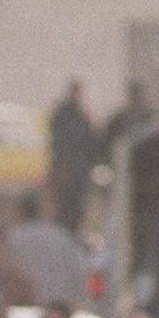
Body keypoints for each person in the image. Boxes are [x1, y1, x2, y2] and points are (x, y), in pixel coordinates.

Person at [46, 80, 103, 232]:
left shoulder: (81, 114)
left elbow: (91, 141)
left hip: (78, 170)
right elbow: (58, 142)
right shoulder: (63, 114)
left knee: (76, 208)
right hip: (66, 169)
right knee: (64, 207)